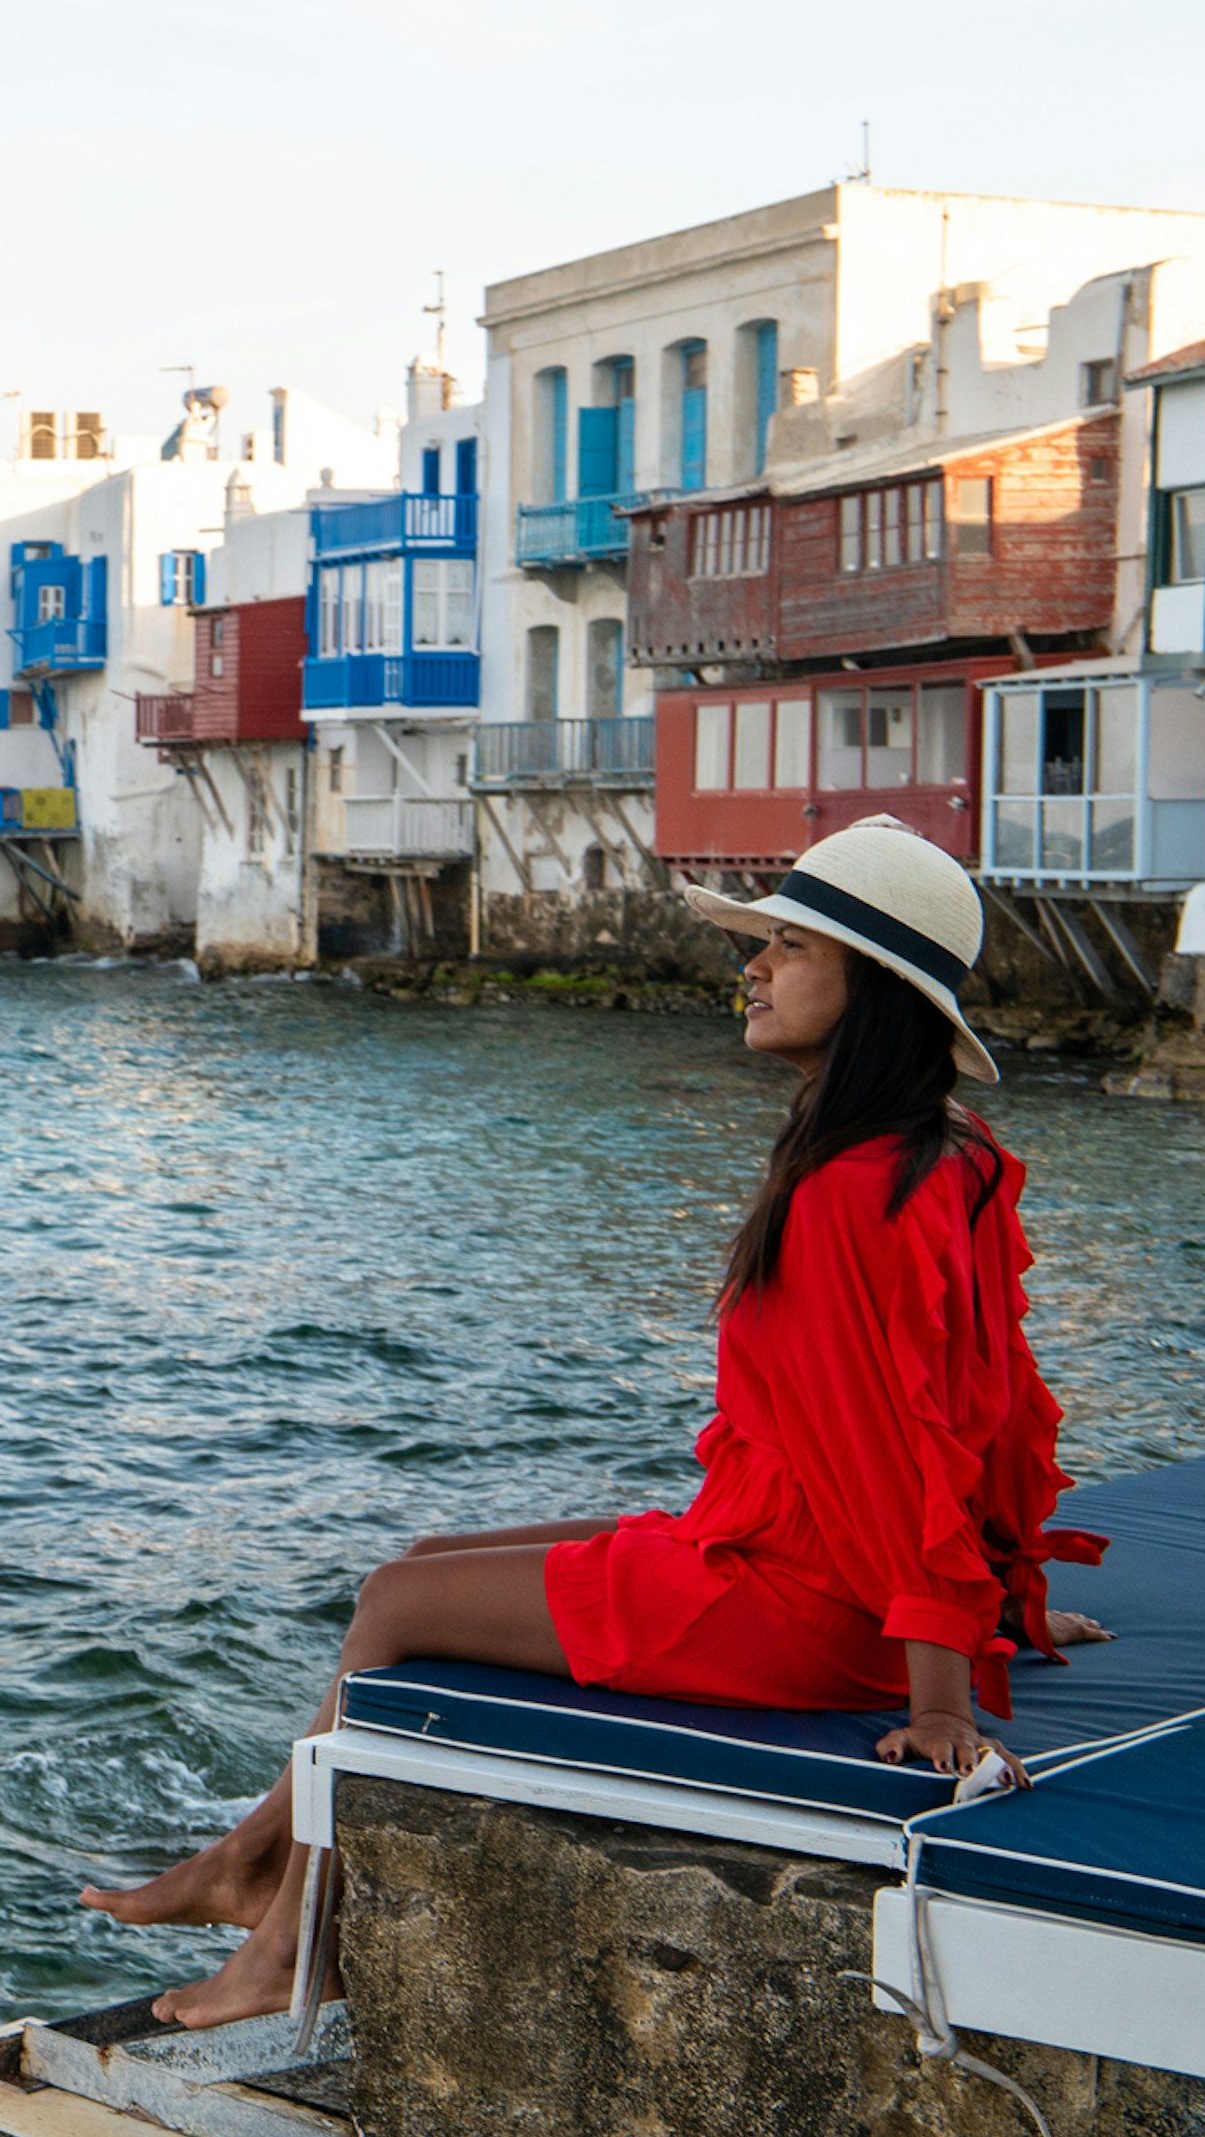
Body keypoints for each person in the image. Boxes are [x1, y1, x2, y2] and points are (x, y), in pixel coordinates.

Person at [85, 817, 1111, 2028]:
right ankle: (251, 1862)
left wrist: (942, 1691)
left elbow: (910, 1447)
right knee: (418, 1571)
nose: (755, 967)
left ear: (874, 990)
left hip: (814, 1599)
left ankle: (288, 1942)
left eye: (787, 946)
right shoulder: (949, 1155)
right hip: (796, 1546)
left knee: (394, 1606)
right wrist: (1008, 1585)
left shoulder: (849, 1192)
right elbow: (995, 1403)